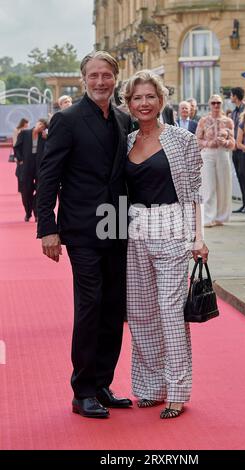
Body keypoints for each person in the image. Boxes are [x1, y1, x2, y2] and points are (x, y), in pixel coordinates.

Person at [37, 51, 133, 419]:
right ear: (83, 79)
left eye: (106, 75)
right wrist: (48, 228)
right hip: (81, 226)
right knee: (90, 305)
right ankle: (83, 390)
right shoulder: (67, 119)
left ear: (115, 77)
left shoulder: (124, 119)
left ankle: (103, 383)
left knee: (113, 306)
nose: (100, 82)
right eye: (93, 75)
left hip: (117, 221)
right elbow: (49, 175)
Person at [123, 70, 209, 419]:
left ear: (161, 100)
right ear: (128, 104)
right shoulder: (125, 141)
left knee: (171, 312)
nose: (144, 103)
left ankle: (176, 390)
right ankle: (149, 388)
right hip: (132, 228)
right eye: (137, 98)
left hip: (173, 226)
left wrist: (198, 237)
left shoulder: (181, 139)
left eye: (150, 97)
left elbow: (193, 193)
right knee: (141, 313)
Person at [196, 94, 235, 227]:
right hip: (208, 154)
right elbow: (197, 140)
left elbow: (233, 143)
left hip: (223, 153)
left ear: (222, 104)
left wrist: (226, 141)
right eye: (213, 103)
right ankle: (207, 218)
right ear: (209, 105)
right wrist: (207, 143)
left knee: (224, 185)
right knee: (208, 186)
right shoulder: (203, 120)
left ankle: (221, 217)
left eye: (218, 103)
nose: (216, 105)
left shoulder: (228, 121)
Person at [14, 118, 48, 222]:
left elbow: (51, 147)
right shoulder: (25, 133)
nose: (40, 126)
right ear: (37, 123)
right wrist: (20, 160)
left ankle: (36, 212)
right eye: (40, 124)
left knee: (40, 190)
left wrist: (47, 137)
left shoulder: (44, 137)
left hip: (39, 166)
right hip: (26, 165)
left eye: (43, 126)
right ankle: (28, 212)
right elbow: (17, 147)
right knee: (26, 191)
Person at [230, 87, 245, 213]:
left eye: (231, 95)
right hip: (235, 150)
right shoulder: (234, 112)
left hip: (243, 149)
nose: (230, 97)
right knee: (240, 177)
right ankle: (244, 203)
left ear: (235, 96)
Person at [12, 118, 29, 193]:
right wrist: (16, 156)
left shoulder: (26, 130)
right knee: (19, 172)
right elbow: (15, 143)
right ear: (23, 123)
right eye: (27, 123)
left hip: (25, 153)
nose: (28, 124)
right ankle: (20, 189)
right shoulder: (17, 130)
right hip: (19, 153)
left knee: (25, 171)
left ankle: (24, 188)